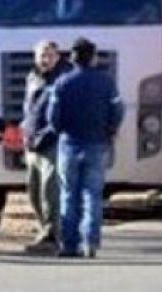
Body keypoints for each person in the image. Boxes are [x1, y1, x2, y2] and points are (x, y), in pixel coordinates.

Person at [48, 38, 123, 259]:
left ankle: (68, 245)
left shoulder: (61, 83)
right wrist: (110, 130)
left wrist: (60, 130)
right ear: (93, 57)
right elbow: (118, 111)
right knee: (92, 195)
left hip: (68, 144)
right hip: (96, 144)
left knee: (68, 195)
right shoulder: (106, 82)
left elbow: (53, 117)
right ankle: (90, 242)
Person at [20, 39, 70, 251]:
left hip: (52, 143)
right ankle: (45, 229)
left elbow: (62, 116)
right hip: (31, 143)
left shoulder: (63, 80)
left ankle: (52, 236)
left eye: (50, 54)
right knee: (33, 192)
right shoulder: (32, 78)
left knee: (50, 192)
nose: (45, 59)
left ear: (58, 56)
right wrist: (25, 132)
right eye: (41, 55)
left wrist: (45, 135)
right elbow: (29, 109)